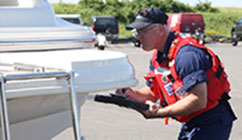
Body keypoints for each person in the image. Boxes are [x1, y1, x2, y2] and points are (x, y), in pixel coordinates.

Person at [116, 8, 237, 140]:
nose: (138, 37)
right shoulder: (158, 57)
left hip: (211, 120)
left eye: (142, 31)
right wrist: (130, 94)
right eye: (136, 32)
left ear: (160, 29)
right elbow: (154, 92)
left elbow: (198, 100)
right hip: (191, 121)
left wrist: (159, 113)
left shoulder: (186, 55)